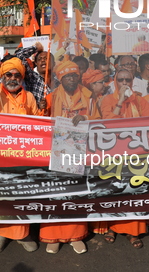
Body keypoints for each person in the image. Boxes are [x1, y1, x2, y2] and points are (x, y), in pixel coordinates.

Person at [0, 57, 40, 253]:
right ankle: (1, 234)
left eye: (17, 75)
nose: (13, 78)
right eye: (8, 75)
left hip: (24, 156)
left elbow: (38, 122)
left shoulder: (28, 96)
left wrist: (44, 115)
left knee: (22, 196)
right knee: (2, 196)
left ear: (22, 77)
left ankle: (23, 234)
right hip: (0, 156)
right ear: (2, 76)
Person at [39, 60, 89, 254]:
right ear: (60, 79)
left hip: (80, 152)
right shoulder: (51, 97)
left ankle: (75, 235)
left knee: (75, 194)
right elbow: (39, 123)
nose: (71, 79)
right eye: (67, 76)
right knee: (55, 194)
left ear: (79, 77)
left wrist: (86, 118)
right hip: (55, 153)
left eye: (74, 75)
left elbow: (100, 117)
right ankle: (53, 236)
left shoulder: (89, 96)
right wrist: (42, 108)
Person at [100, 70, 149, 248]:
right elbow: (107, 123)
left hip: (136, 153)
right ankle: (112, 227)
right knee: (113, 190)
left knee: (134, 190)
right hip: (113, 153)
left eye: (127, 80)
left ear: (132, 82)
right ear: (115, 81)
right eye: (121, 79)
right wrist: (120, 101)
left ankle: (133, 231)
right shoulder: (107, 100)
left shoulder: (140, 100)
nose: (124, 82)